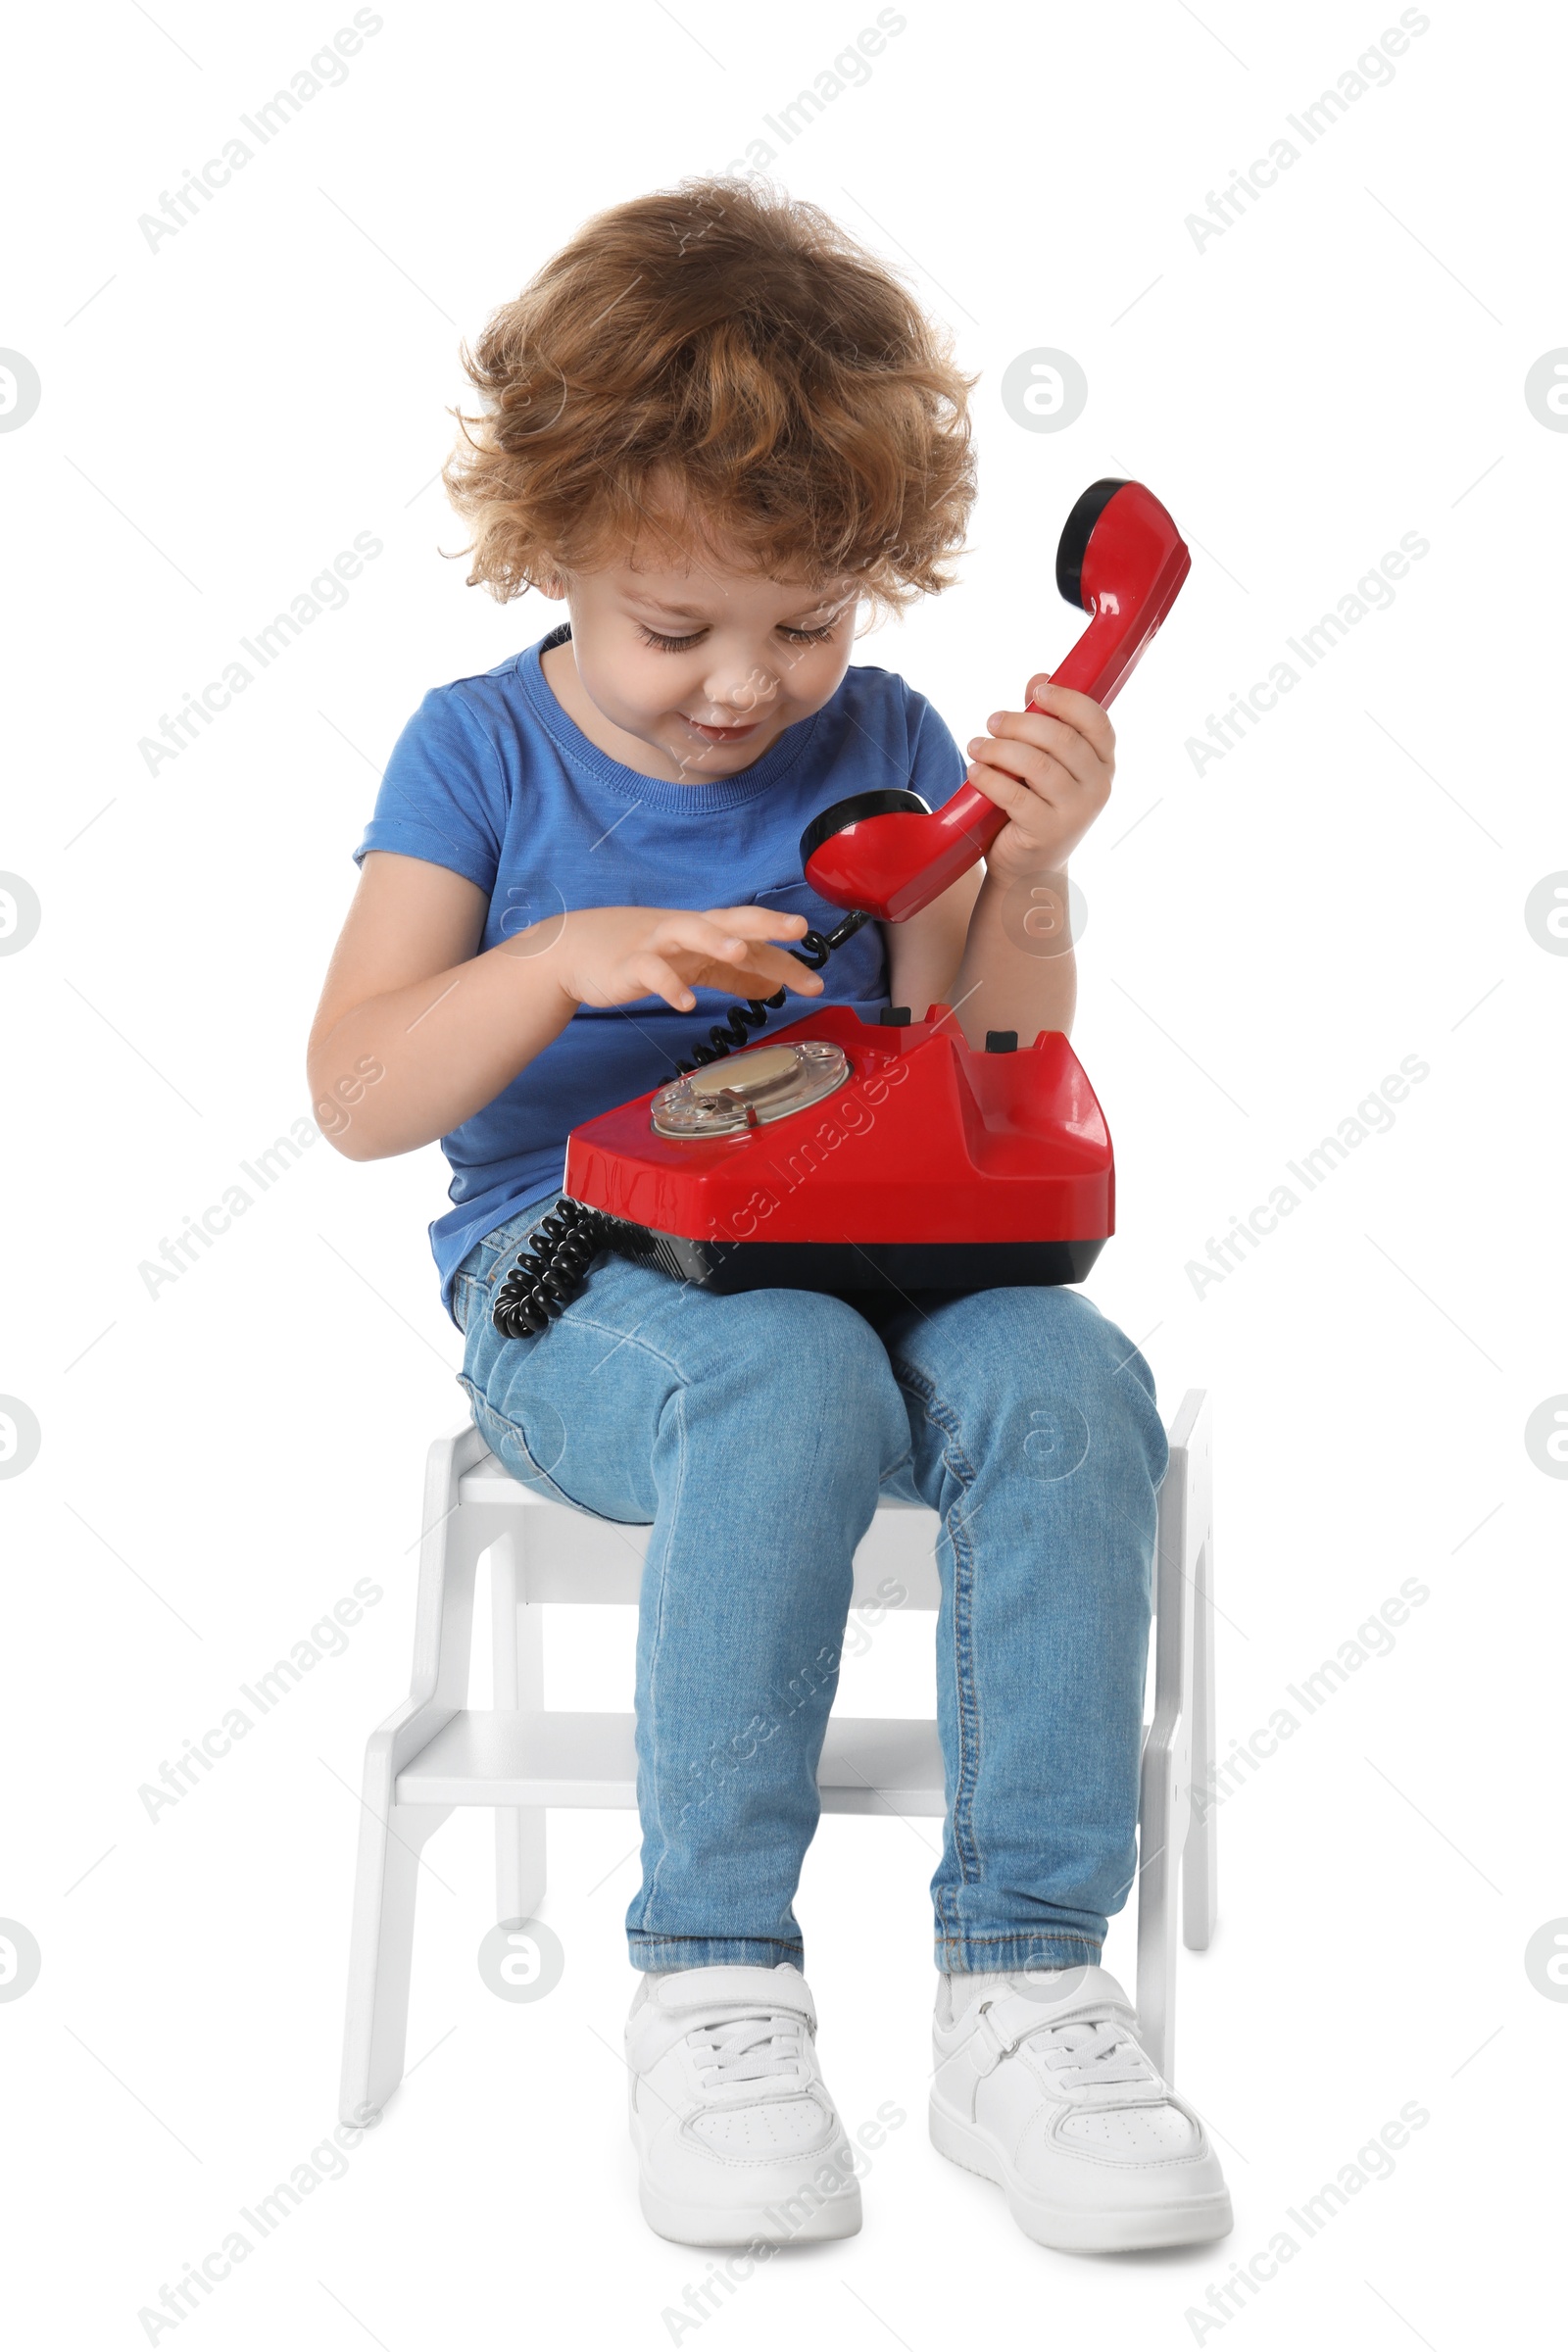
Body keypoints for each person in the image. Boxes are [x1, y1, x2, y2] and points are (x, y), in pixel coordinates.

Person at [308, 177, 1231, 2258]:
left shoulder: (888, 749)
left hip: (872, 1247)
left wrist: (1030, 875)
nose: (744, 689)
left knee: (1071, 1371)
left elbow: (973, 1062)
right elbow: (354, 1094)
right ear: (555, 552)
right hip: (589, 1295)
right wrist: (562, 962)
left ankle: (1024, 1987)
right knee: (787, 1374)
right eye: (675, 629)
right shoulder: (474, 758)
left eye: (805, 622)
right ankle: (711, 1978)